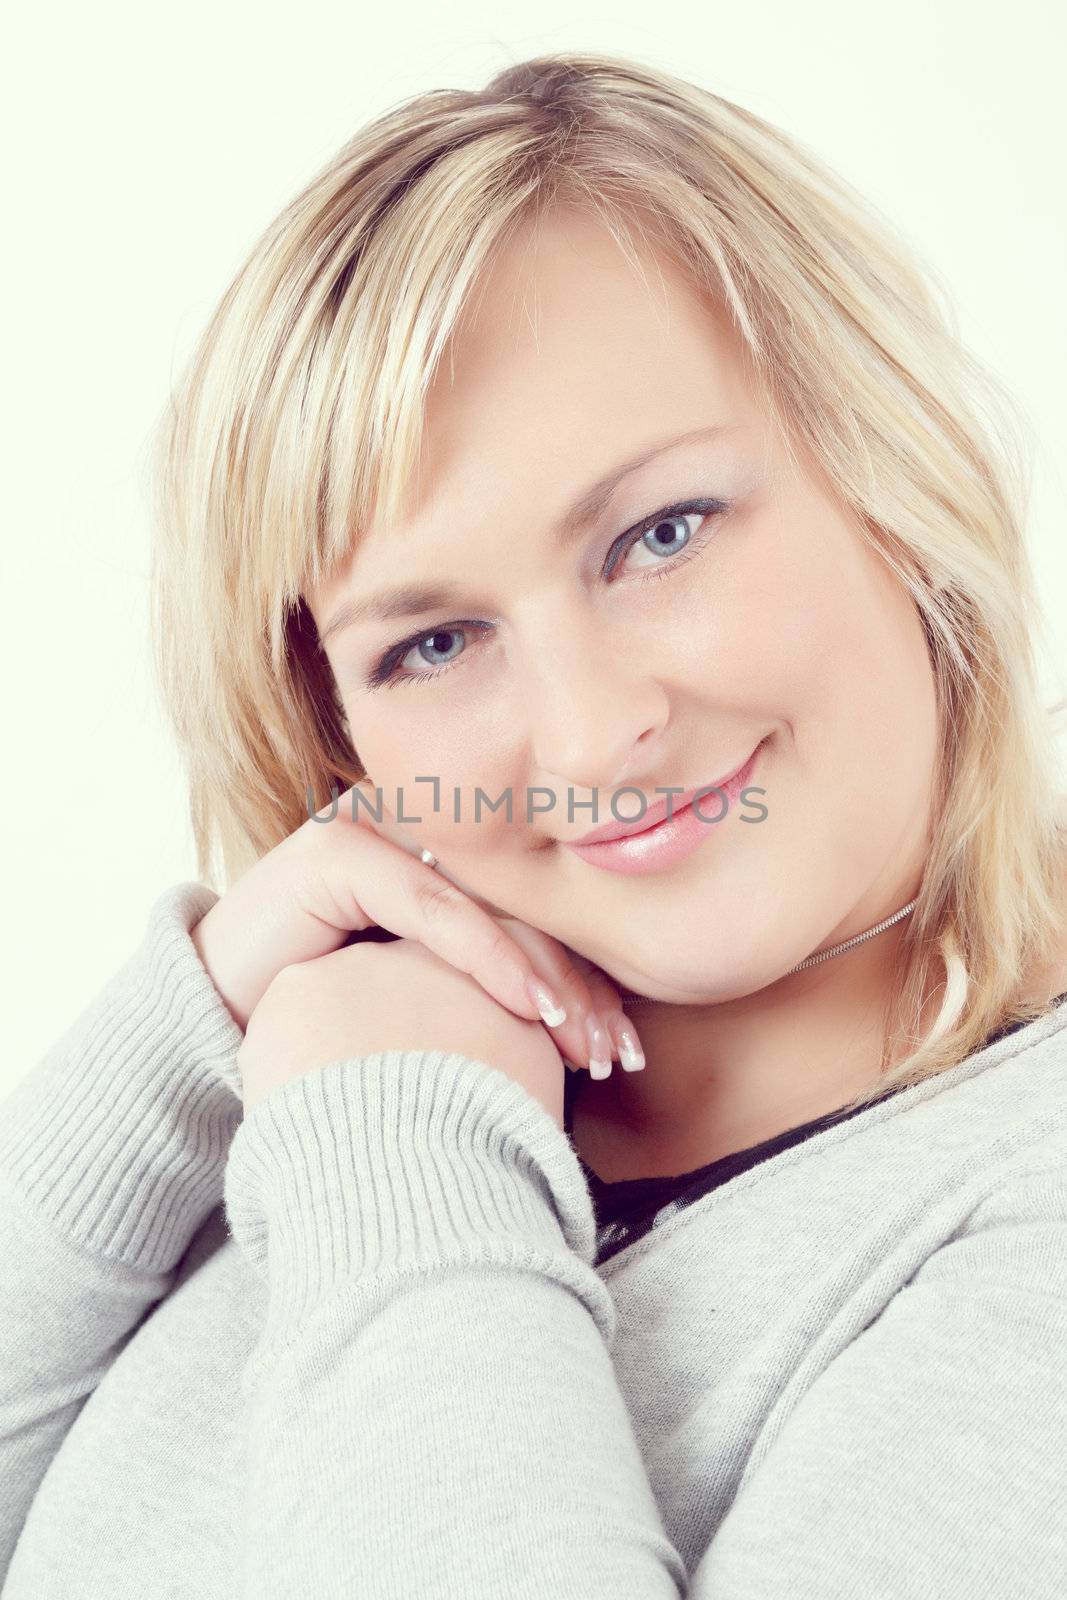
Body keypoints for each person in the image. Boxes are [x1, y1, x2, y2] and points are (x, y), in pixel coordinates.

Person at [2, 50, 1065, 1599]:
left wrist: (403, 1147)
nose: (591, 736)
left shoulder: (385, 1126)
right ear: (337, 733)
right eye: (431, 643)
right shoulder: (320, 1083)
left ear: (885, 470)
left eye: (660, 533)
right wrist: (192, 1039)